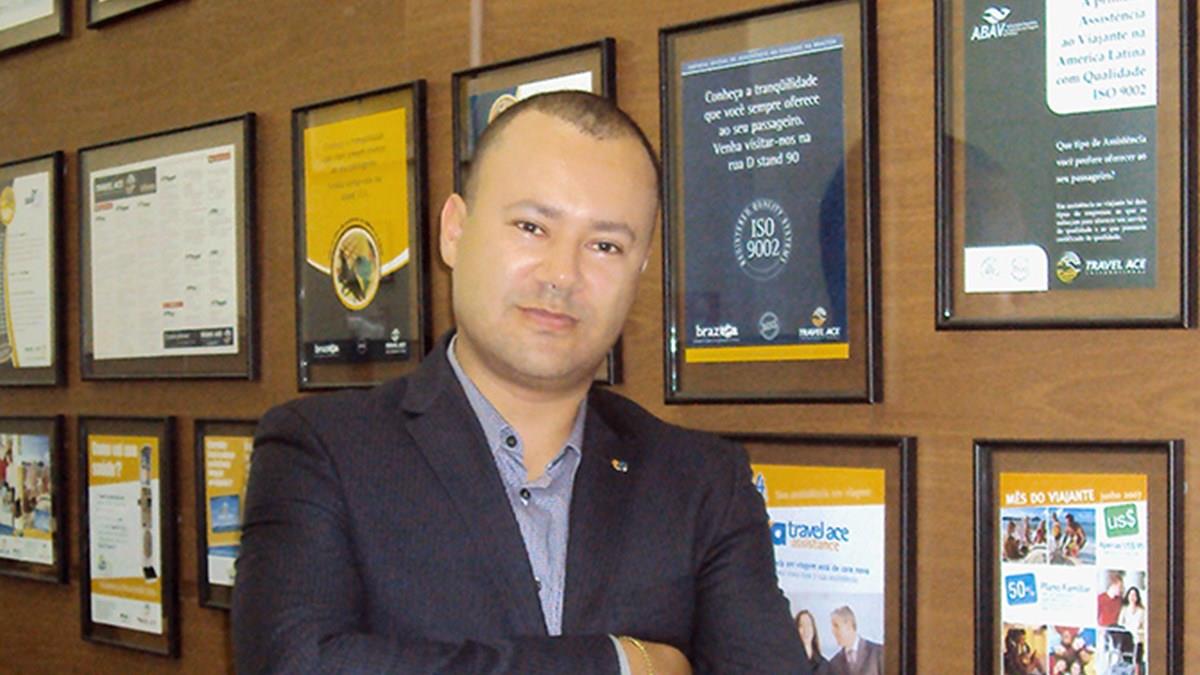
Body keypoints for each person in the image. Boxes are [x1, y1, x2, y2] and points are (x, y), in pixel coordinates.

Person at [232, 91, 807, 674]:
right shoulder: (323, 449)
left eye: (605, 245)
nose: (562, 275)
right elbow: (293, 665)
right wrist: (616, 665)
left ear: (639, 267)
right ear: (455, 230)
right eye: (532, 227)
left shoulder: (703, 482)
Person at [826, 606, 883, 675]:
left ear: (849, 625)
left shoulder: (878, 653)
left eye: (836, 626)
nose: (832, 631)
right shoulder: (834, 663)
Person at [1118, 586, 1146, 671]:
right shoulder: (1124, 610)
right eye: (1131, 595)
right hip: (1127, 638)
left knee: (1137, 659)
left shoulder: (1142, 611)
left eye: (1134, 595)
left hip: (1138, 638)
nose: (1132, 597)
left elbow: (1144, 626)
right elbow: (1120, 624)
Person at [796, 610, 828, 674]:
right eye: (801, 625)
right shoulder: (790, 663)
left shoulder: (824, 665)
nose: (806, 629)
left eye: (808, 625)